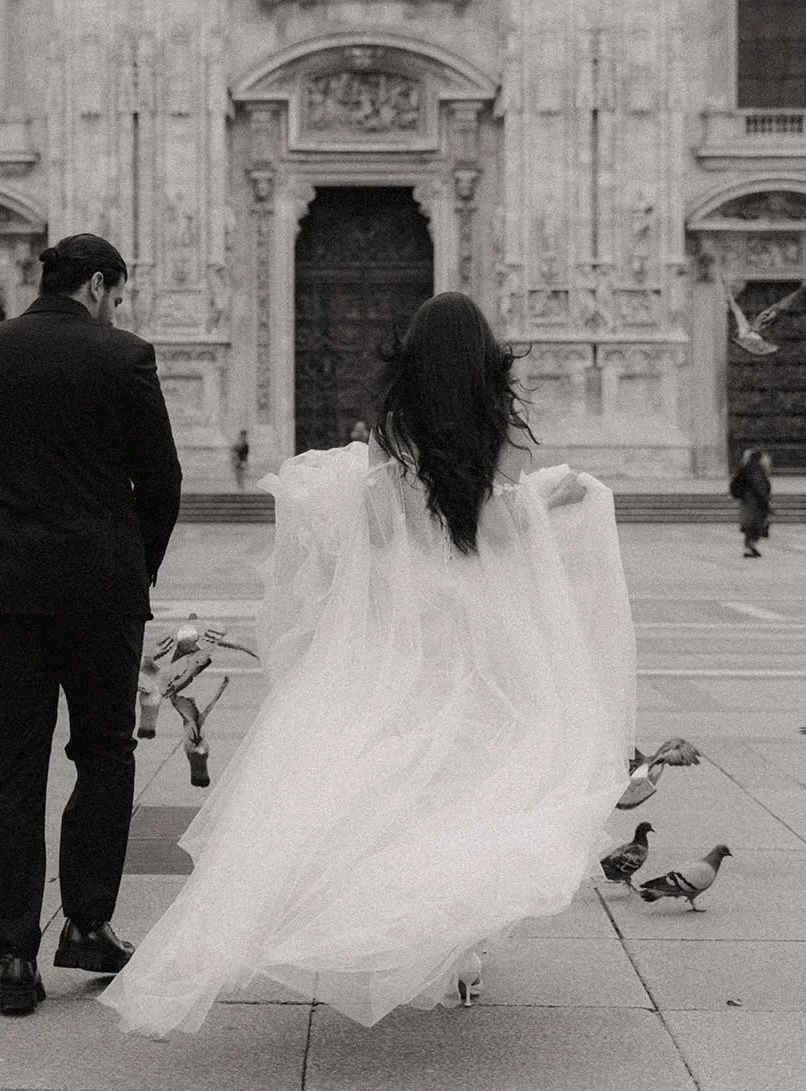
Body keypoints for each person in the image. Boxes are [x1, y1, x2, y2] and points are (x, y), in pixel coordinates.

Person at [102, 291, 631, 1036]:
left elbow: (381, 540)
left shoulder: (390, 433)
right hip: (485, 625)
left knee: (401, 775)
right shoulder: (504, 429)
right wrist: (540, 501)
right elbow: (505, 536)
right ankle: (461, 947)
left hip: (413, 624)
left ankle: (414, 932)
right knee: (481, 774)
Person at [0, 232, 182, 1018]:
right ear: (96, 285)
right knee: (104, 753)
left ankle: (15, 955)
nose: (116, 308)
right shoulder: (124, 357)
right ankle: (88, 924)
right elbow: (161, 479)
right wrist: (135, 565)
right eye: (116, 294)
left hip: (2, 594)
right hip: (101, 593)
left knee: (7, 764)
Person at [730, 448, 772, 557]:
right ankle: (749, 547)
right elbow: (758, 486)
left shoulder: (746, 467)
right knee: (755, 524)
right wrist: (765, 499)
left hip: (748, 500)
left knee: (751, 525)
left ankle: (749, 547)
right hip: (754, 501)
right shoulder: (756, 469)